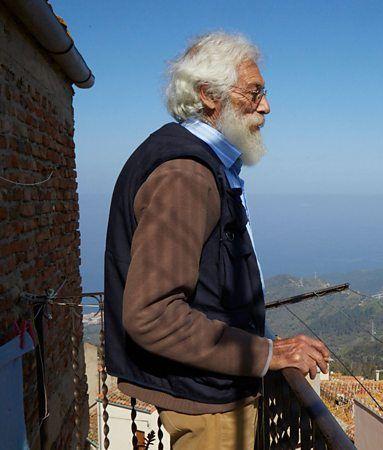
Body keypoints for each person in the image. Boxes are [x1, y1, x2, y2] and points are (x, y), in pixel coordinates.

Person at [103, 31, 329, 450]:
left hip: (204, 392)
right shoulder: (186, 175)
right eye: (254, 92)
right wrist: (266, 355)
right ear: (209, 95)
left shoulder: (190, 161)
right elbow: (151, 313)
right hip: (209, 406)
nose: (266, 106)